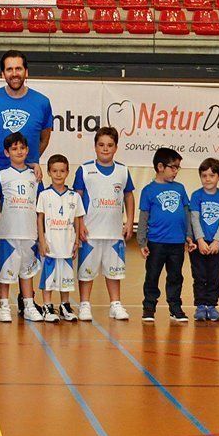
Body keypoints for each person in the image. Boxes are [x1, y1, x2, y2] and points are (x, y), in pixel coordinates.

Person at [73, 127, 135, 321]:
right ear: (95, 147)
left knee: (114, 271)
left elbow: (128, 195)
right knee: (86, 272)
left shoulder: (123, 171)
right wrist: (79, 224)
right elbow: (77, 199)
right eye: (101, 145)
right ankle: (84, 304)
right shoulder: (84, 170)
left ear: (116, 147)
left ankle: (115, 304)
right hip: (90, 231)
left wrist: (129, 221)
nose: (105, 149)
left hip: (114, 232)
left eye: (109, 145)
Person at [137, 148, 195, 323]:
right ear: (160, 166)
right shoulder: (148, 190)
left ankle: (175, 307)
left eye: (178, 168)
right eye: (173, 167)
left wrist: (189, 234)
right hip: (156, 242)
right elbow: (144, 217)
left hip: (177, 242)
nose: (176, 171)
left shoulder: (180, 188)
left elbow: (186, 213)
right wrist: (142, 241)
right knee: (152, 275)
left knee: (176, 276)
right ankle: (149, 307)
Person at [0, 50, 54, 171]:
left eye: (19, 69)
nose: (14, 73)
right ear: (3, 74)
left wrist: (28, 161)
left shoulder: (42, 103)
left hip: (28, 174)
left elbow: (44, 140)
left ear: (26, 72)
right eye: (9, 69)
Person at [0, 132, 43, 322]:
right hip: (8, 231)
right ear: (7, 152)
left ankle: (29, 304)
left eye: (22, 148)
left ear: (28, 150)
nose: (19, 151)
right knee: (6, 271)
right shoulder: (2, 174)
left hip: (29, 231)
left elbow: (40, 203)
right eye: (14, 148)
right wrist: (4, 216)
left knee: (27, 270)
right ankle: (4, 306)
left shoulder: (35, 175)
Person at [36, 154, 84, 322]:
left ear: (67, 172)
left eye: (62, 171)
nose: (58, 174)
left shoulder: (74, 197)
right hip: (50, 244)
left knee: (66, 278)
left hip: (67, 243)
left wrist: (77, 241)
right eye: (54, 171)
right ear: (49, 172)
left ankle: (65, 305)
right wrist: (41, 240)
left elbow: (78, 219)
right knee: (48, 277)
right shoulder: (44, 195)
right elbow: (40, 218)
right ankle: (47, 306)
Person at [189, 157, 219, 323]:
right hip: (200, 243)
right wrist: (200, 240)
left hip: (215, 244)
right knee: (199, 275)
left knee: (214, 275)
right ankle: (200, 306)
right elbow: (195, 218)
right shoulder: (196, 195)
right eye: (204, 175)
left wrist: (217, 241)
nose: (207, 179)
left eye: (211, 175)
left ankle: (211, 305)